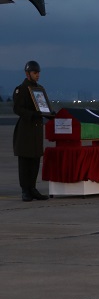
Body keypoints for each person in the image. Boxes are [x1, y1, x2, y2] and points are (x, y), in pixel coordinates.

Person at [13, 60, 49, 201]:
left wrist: (49, 114)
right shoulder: (21, 89)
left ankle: (32, 188)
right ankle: (25, 190)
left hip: (36, 130)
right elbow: (17, 108)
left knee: (35, 159)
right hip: (25, 129)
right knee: (25, 161)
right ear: (27, 74)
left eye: (38, 72)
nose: (37, 75)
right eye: (35, 73)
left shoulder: (39, 89)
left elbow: (44, 106)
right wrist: (32, 114)